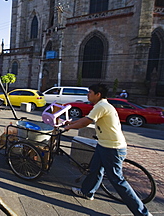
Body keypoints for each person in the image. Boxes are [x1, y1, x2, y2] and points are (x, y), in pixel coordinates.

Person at [64, 83, 152, 216]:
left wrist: (68, 128)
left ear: (98, 95)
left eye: (90, 92)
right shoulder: (100, 106)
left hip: (113, 148)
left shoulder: (102, 106)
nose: (88, 95)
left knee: (118, 181)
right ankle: (87, 192)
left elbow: (86, 122)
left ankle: (143, 213)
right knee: (95, 170)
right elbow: (86, 118)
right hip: (104, 145)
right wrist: (71, 123)